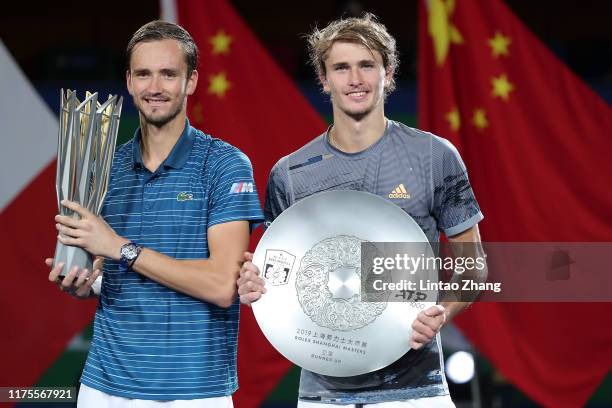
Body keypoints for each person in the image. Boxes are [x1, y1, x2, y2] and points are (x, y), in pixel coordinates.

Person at [237, 13, 485, 407]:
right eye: (341, 67)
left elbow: (475, 268)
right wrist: (254, 285)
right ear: (324, 79)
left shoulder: (435, 156)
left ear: (387, 74)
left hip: (417, 392)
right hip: (322, 394)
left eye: (367, 65)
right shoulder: (290, 173)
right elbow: (279, 276)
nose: (355, 79)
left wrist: (444, 311)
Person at [47, 20, 263, 407]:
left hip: (196, 391)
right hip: (104, 388)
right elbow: (103, 272)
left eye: (168, 74)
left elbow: (221, 286)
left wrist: (120, 248)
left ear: (191, 81)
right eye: (144, 74)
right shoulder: (104, 169)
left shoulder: (225, 165)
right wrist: (82, 281)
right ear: (129, 81)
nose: (155, 87)